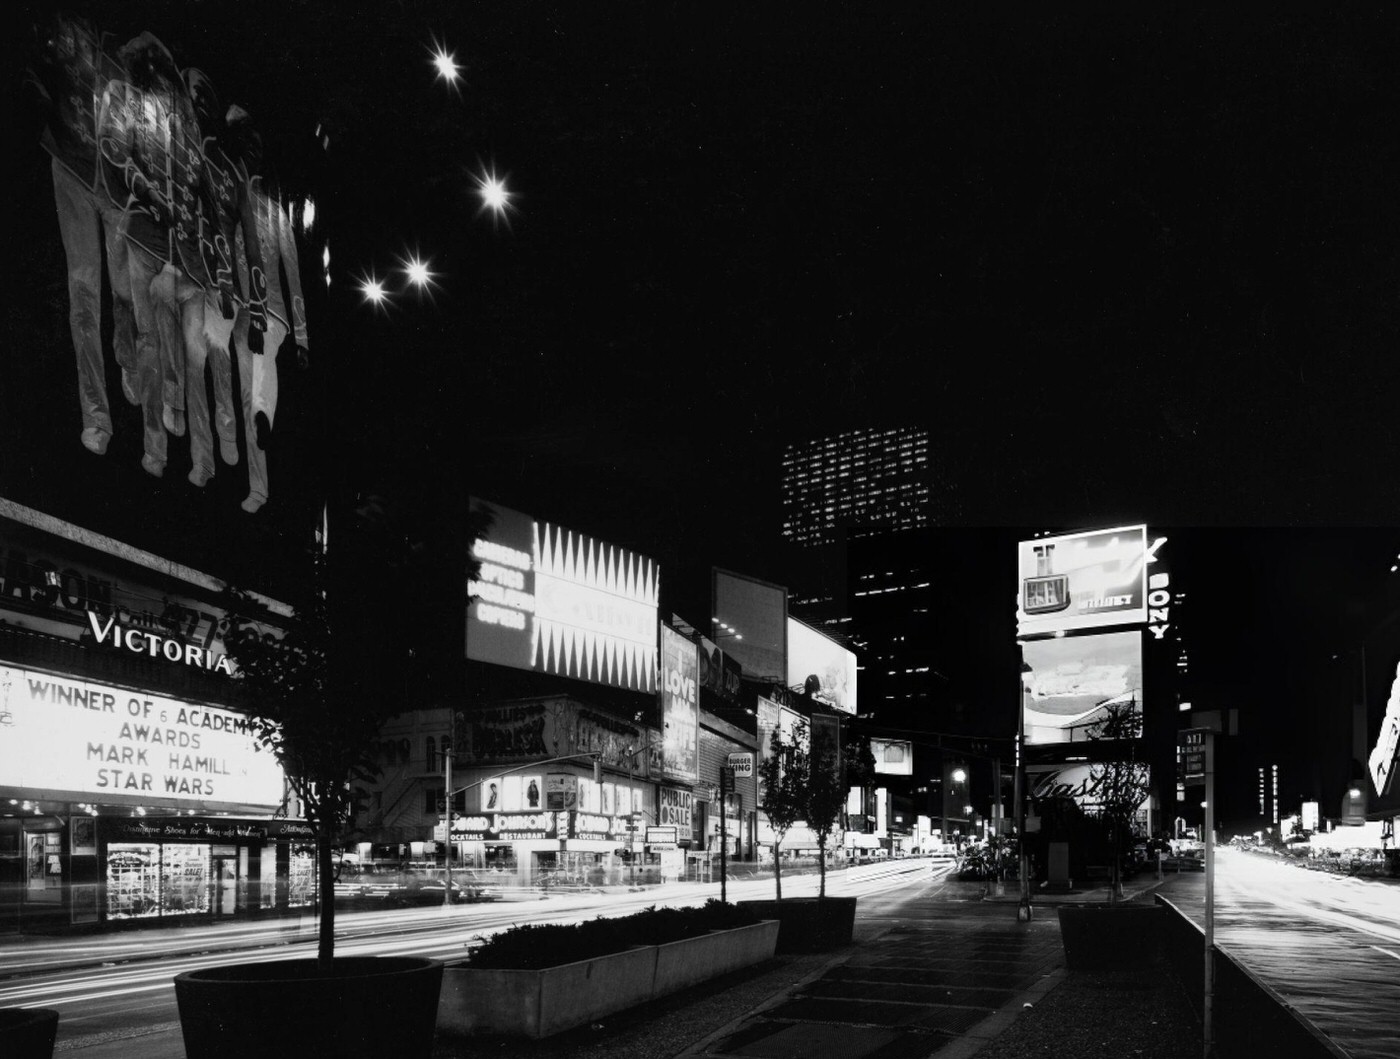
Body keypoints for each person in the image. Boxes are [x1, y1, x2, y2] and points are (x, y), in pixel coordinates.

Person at [29, 14, 138, 456]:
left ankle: (128, 357)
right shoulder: (53, 26)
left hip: (110, 180)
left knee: (125, 286)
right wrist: (37, 104)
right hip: (71, 169)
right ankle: (96, 416)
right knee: (84, 294)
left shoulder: (115, 49)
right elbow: (31, 69)